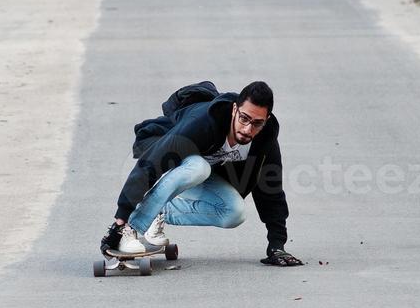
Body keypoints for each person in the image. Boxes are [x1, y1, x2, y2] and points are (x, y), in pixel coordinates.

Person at [103, 80, 304, 267]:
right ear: (235, 109)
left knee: (234, 212)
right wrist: (121, 219)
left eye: (257, 123)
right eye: (244, 118)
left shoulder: (264, 139)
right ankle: (131, 230)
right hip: (167, 160)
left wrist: (277, 245)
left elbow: (271, 188)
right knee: (199, 167)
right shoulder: (204, 122)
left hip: (197, 178)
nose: (247, 129)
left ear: (266, 121)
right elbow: (152, 163)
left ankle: (159, 212)